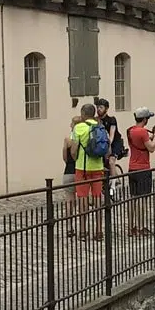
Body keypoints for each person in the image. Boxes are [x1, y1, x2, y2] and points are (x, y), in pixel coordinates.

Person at [70, 101, 111, 241]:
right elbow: (108, 150)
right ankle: (99, 231)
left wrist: (76, 158)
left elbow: (74, 150)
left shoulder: (78, 128)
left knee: (82, 198)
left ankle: (82, 231)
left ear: (82, 114)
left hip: (82, 168)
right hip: (97, 168)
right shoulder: (100, 127)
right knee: (98, 198)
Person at [125, 108, 155, 236]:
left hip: (132, 168)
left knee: (133, 197)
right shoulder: (143, 132)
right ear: (145, 119)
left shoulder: (130, 131)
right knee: (142, 199)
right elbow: (151, 148)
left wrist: (151, 136)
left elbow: (140, 141)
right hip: (143, 168)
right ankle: (141, 227)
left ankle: (131, 227)